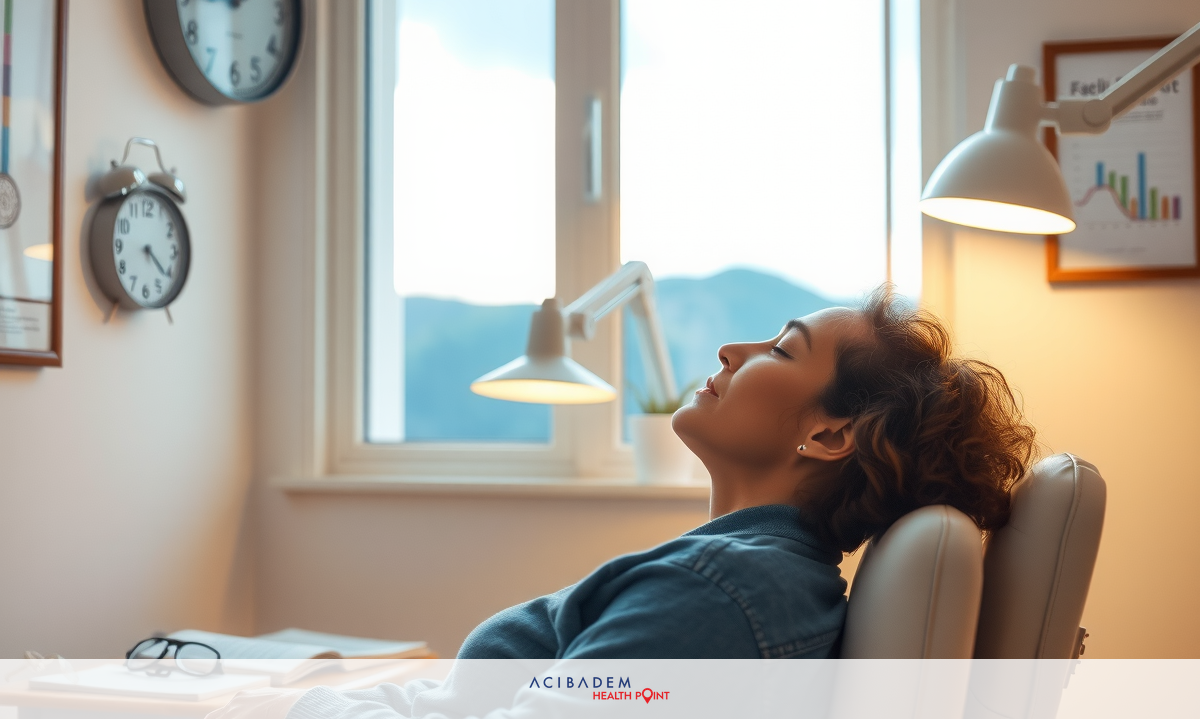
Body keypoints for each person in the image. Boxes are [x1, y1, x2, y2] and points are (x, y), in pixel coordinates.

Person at [211, 287, 1035, 719]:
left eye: (782, 349)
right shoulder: (740, 577)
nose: (731, 349)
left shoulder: (720, 595)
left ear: (828, 435)